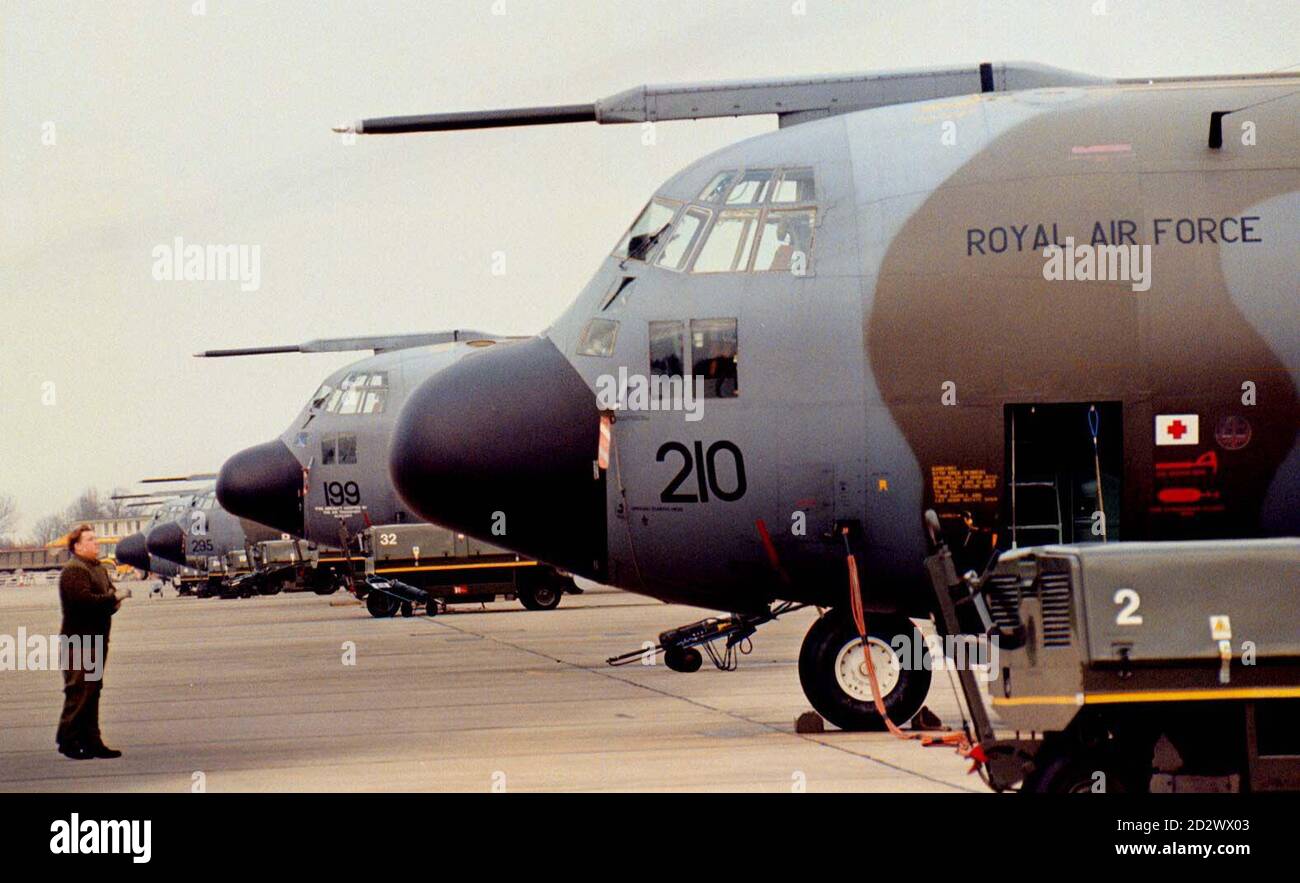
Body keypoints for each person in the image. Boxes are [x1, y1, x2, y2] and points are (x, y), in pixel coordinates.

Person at [55, 525, 130, 759]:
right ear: (77, 546)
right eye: (90, 539)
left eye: (95, 539)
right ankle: (67, 739)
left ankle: (92, 741)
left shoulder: (99, 569)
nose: (96, 543)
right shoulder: (74, 570)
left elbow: (107, 601)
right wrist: (112, 598)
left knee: (93, 690)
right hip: (79, 641)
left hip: (97, 639)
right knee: (79, 690)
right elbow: (84, 602)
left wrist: (112, 601)